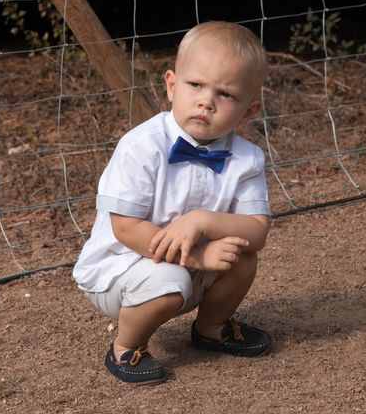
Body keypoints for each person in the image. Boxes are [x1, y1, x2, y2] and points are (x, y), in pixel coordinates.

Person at [72, 21, 272, 385]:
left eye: (225, 94)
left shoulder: (247, 158)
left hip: (192, 259)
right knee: (170, 279)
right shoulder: (142, 146)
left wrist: (201, 222)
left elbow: (257, 230)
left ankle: (211, 329)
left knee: (243, 255)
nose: (206, 101)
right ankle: (125, 346)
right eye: (196, 85)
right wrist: (197, 257)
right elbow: (126, 228)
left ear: (248, 111)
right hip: (123, 267)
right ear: (171, 85)